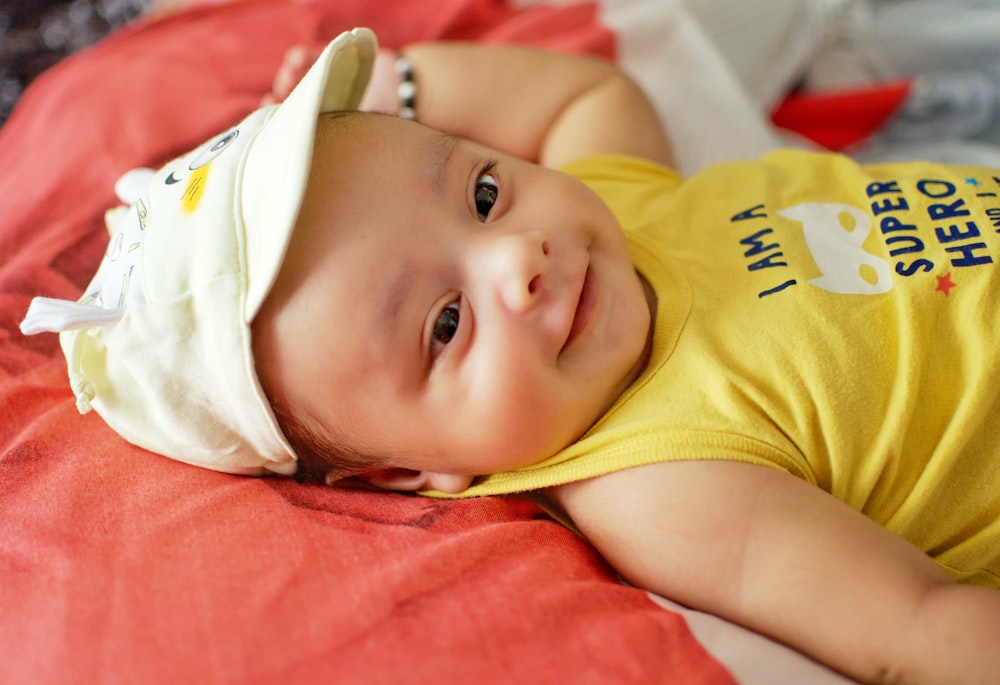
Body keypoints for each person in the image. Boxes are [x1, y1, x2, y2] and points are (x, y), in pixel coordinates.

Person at [20, 27, 1000, 684]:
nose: (516, 259)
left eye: (483, 193)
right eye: (446, 325)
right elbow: (915, 629)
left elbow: (585, 92)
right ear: (411, 469)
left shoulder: (617, 204)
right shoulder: (667, 481)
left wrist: (413, 82)